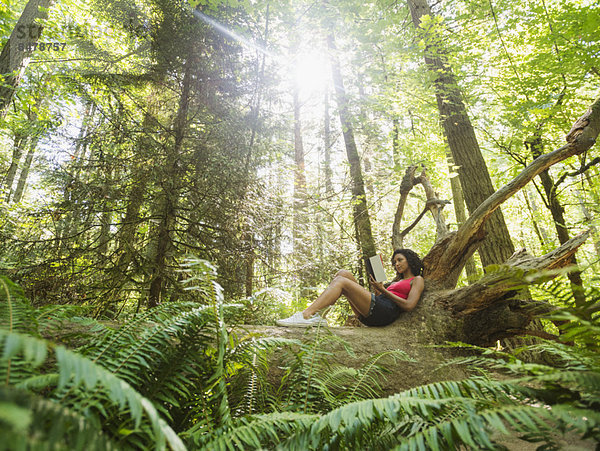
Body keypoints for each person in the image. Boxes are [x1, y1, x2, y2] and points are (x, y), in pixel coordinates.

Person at [276, 249, 425, 327]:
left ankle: (306, 315)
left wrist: (384, 290)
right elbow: (380, 297)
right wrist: (378, 286)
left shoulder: (417, 280)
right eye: (394, 262)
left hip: (385, 314)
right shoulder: (396, 281)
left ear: (409, 260)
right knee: (343, 274)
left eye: (400, 260)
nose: (396, 264)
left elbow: (409, 305)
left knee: (341, 281)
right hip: (376, 308)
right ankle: (318, 317)